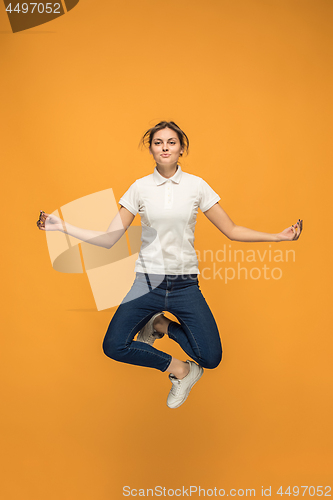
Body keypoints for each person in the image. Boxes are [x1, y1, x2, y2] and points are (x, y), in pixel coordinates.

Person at [37, 120, 303, 409]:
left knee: (211, 358)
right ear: (151, 149)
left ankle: (160, 324)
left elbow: (232, 230)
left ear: (181, 149)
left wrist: (278, 237)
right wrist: (61, 225)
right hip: (147, 283)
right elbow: (109, 238)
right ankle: (181, 371)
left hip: (185, 285)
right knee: (114, 345)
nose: (165, 147)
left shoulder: (196, 186)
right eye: (158, 142)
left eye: (171, 142)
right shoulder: (139, 188)